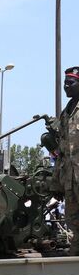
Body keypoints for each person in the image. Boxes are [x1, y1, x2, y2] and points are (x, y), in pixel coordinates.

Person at [52, 66, 79, 255]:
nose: (66, 86)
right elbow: (60, 153)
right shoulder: (65, 114)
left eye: (70, 83)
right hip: (70, 179)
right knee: (74, 220)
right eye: (65, 83)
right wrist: (57, 183)